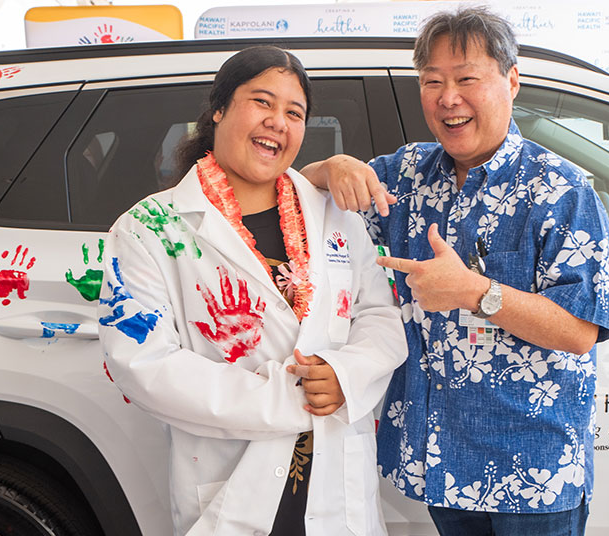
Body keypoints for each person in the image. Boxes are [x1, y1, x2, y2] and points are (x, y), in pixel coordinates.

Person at [302, 7, 609, 536]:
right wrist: (330, 168)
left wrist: (474, 291)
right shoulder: (404, 173)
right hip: (439, 464)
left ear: (511, 81)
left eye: (467, 78)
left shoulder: (561, 190)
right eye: (432, 82)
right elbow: (303, 197)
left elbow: (579, 330)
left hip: (531, 472)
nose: (449, 98)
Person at [97, 46, 406, 536]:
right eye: (262, 102)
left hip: (335, 480)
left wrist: (345, 374)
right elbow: (144, 366)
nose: (277, 122)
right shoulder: (148, 229)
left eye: (294, 112)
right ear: (218, 109)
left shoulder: (335, 217)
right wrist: (291, 396)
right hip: (233, 482)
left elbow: (380, 317)